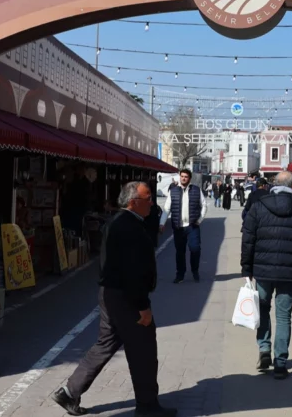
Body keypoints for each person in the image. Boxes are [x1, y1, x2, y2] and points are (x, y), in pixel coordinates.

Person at [52, 182, 176, 417]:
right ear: (133, 202)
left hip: (111, 292)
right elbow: (132, 272)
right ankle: (148, 405)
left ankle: (69, 392)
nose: (152, 203)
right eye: (148, 198)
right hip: (125, 296)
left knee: (106, 342)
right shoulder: (128, 227)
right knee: (143, 349)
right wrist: (143, 306)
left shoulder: (120, 222)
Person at [241, 170, 292, 380]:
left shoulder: (259, 206)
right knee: (284, 316)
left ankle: (264, 347)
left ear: (274, 185)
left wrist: (246, 268)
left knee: (263, 308)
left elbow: (248, 238)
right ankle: (280, 362)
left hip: (263, 270)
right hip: (290, 271)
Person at [160, 169, 206, 283]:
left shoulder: (196, 190)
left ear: (189, 178)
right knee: (180, 252)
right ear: (180, 177)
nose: (183, 178)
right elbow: (166, 208)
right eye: (182, 176)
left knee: (195, 249)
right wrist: (162, 223)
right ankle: (180, 274)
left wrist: (199, 220)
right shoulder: (173, 191)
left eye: (186, 177)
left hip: (192, 226)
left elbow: (204, 205)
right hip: (178, 227)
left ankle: (195, 271)